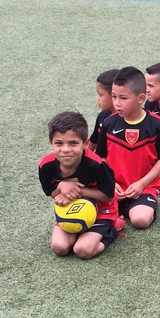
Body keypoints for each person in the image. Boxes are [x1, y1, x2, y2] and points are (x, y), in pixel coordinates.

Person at [96, 66, 160, 229]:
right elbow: (101, 157)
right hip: (115, 186)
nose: (117, 103)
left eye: (123, 98)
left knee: (140, 220)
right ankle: (119, 211)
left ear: (140, 98)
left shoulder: (157, 125)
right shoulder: (108, 123)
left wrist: (142, 184)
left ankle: (129, 210)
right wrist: (111, 182)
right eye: (114, 96)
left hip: (145, 186)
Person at [40, 111, 118, 259]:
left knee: (83, 250)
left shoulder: (98, 165)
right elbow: (52, 194)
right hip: (71, 208)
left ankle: (114, 228)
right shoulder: (45, 166)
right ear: (51, 143)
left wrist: (79, 191)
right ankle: (80, 232)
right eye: (59, 143)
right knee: (59, 248)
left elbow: (109, 196)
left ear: (85, 143)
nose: (65, 149)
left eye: (73, 143)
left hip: (102, 211)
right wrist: (61, 186)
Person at [87, 68, 119, 151]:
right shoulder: (102, 115)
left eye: (100, 94)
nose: (97, 98)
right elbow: (94, 140)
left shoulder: (129, 120)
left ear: (114, 95)